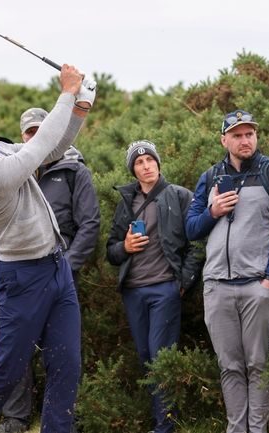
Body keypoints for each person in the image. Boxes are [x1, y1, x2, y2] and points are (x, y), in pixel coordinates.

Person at [0, 64, 94, 433]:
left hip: (56, 269)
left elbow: (54, 148)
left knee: (67, 364)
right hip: (22, 277)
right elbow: (35, 150)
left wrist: (79, 107)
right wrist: (65, 91)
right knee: (8, 371)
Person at [186, 109, 269, 433]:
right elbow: (191, 228)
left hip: (257, 286)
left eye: (249, 134)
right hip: (216, 286)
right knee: (229, 366)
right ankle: (236, 429)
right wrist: (213, 211)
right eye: (237, 135)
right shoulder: (209, 178)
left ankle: (257, 430)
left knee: (258, 365)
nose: (245, 140)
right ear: (224, 140)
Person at [0, 107, 102, 433]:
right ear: (22, 138)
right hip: (25, 273)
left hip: (61, 274)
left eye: (39, 130)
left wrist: (66, 269)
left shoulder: (74, 172)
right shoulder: (18, 171)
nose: (34, 137)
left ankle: (61, 417)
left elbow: (89, 224)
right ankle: (16, 417)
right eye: (28, 133)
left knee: (61, 352)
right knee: (17, 347)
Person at [106, 140, 202, 433]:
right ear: (133, 170)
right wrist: (124, 247)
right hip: (133, 290)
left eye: (150, 160)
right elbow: (110, 251)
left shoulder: (179, 196)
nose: (146, 165)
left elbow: (196, 244)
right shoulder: (127, 201)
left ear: (158, 163)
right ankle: (163, 420)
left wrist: (182, 283)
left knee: (161, 356)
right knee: (146, 357)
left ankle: (164, 426)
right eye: (139, 162)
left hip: (165, 289)